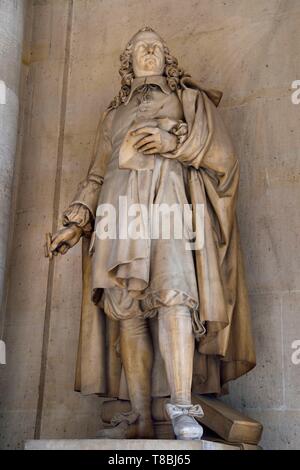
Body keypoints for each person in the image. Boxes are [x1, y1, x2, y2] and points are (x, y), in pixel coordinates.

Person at [47, 27, 256, 440]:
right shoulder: (112, 115)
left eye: (155, 47)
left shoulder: (186, 99)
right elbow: (95, 173)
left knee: (176, 297)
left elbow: (223, 156)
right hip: (117, 214)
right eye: (139, 48)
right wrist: (74, 224)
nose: (147, 53)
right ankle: (139, 415)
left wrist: (170, 142)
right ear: (128, 61)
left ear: (166, 56)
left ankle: (181, 407)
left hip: (170, 207)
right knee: (127, 311)